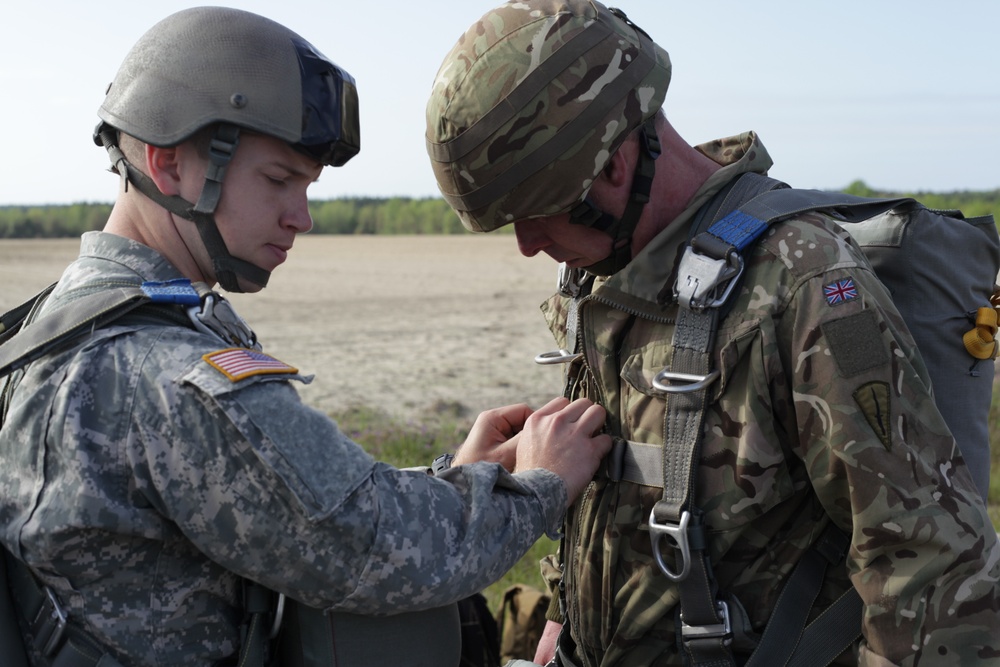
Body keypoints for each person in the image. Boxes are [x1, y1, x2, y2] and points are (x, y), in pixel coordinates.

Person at [0, 7, 614, 667]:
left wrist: (458, 479)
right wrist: (542, 482)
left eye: (306, 185)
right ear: (169, 163)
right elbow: (381, 550)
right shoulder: (167, 376)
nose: (301, 216)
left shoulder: (47, 329)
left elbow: (297, 512)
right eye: (277, 180)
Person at [424, 1, 1000, 665]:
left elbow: (931, 569)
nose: (527, 246)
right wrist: (565, 611)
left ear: (612, 165)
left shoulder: (814, 285)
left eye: (533, 214)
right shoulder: (607, 275)